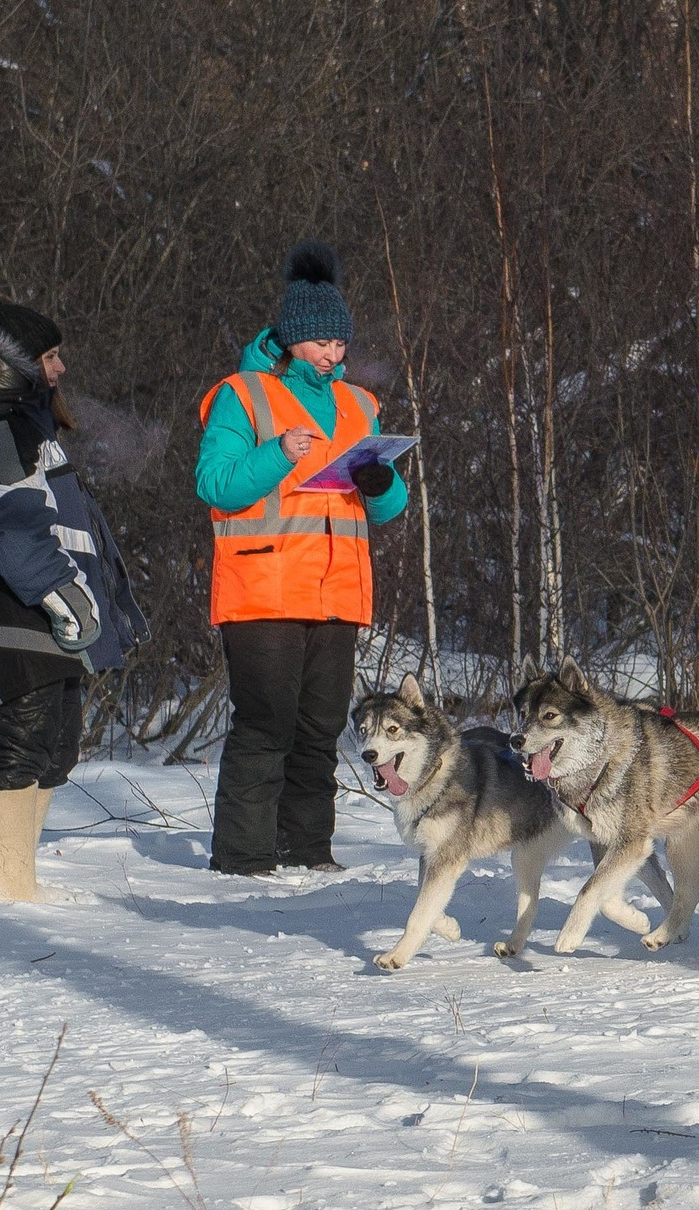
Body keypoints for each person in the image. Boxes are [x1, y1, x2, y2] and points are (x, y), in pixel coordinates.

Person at [197, 241, 408, 876]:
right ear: (290, 339)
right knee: (267, 724)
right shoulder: (243, 395)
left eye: (340, 343)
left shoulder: (360, 404)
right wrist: (278, 454)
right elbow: (216, 484)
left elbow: (388, 507)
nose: (331, 355)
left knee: (320, 728)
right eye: (320, 343)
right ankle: (244, 857)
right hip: (262, 587)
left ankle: (309, 850)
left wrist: (380, 484)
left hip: (338, 591)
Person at [0, 292, 147, 902]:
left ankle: (19, 873)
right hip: (12, 612)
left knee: (59, 745)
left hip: (51, 613)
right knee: (24, 737)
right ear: (8, 365)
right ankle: (2, 886)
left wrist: (101, 598)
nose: (60, 367)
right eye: (49, 357)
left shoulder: (31, 426)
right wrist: (60, 592)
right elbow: (14, 520)